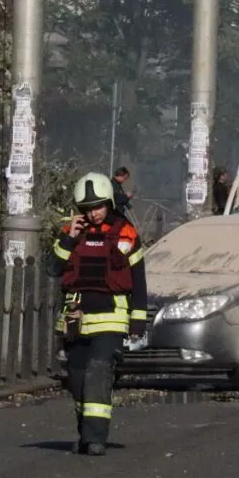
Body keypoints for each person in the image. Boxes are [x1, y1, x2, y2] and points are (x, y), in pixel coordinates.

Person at [51, 173, 148, 457]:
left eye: (98, 207)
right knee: (78, 377)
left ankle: (96, 439)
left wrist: (137, 319)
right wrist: (69, 239)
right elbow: (53, 269)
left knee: (98, 371)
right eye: (87, 208)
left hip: (111, 316)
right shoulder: (71, 232)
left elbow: (138, 279)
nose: (92, 213)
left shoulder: (125, 232)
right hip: (75, 317)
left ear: (108, 203)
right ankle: (85, 432)